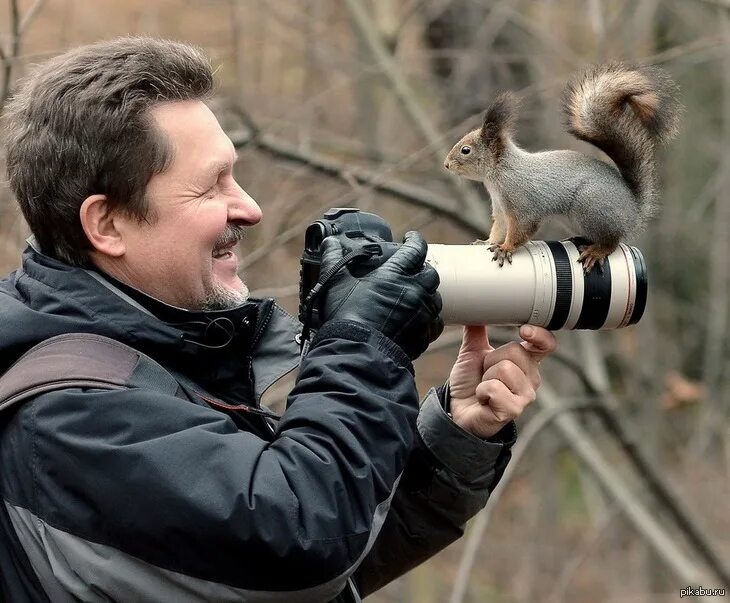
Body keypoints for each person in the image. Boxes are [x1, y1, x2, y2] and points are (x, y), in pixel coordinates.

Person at [0, 37, 556, 602]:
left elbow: (314, 571)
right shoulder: (70, 417)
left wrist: (455, 437)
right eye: (212, 185)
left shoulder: (157, 358)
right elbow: (302, 541)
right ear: (109, 224)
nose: (250, 208)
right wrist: (359, 347)